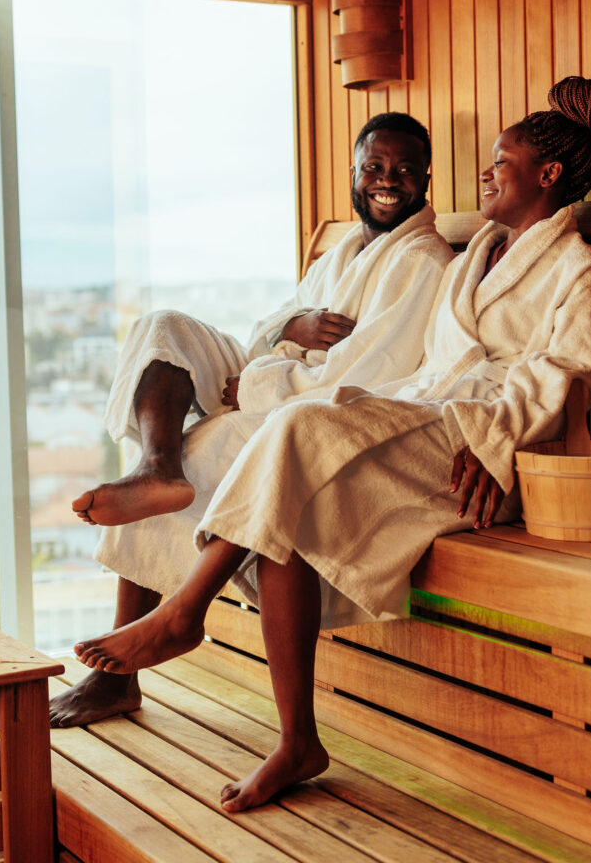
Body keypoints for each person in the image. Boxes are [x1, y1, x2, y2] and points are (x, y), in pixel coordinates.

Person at [73, 75, 591, 813]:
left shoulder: (577, 273)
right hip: (427, 410)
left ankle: (186, 612)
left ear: (548, 175)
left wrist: (494, 445)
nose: (487, 172)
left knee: (295, 430)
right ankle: (294, 738)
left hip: (485, 447)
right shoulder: (480, 256)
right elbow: (431, 366)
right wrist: (310, 365)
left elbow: (566, 380)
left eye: (500, 161)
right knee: (290, 463)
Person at [49, 112, 453, 727]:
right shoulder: (346, 248)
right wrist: (286, 332)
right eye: (374, 167)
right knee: (164, 330)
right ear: (354, 171)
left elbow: (368, 374)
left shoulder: (420, 261)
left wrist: (258, 385)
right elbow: (275, 323)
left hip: (321, 408)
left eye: (402, 170)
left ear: (426, 178)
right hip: (275, 383)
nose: (386, 180)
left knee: (207, 447)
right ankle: (157, 469)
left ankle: (121, 676)